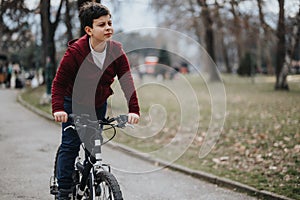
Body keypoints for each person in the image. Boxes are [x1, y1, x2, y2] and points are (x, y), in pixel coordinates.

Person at [51, 2, 140, 199]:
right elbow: (59, 83)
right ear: (89, 30)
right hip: (72, 104)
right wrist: (58, 108)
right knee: (70, 145)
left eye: (110, 23)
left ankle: (93, 178)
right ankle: (64, 190)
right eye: (102, 25)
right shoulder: (75, 52)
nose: (108, 27)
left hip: (98, 104)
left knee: (93, 146)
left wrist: (134, 110)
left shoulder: (116, 50)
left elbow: (127, 81)